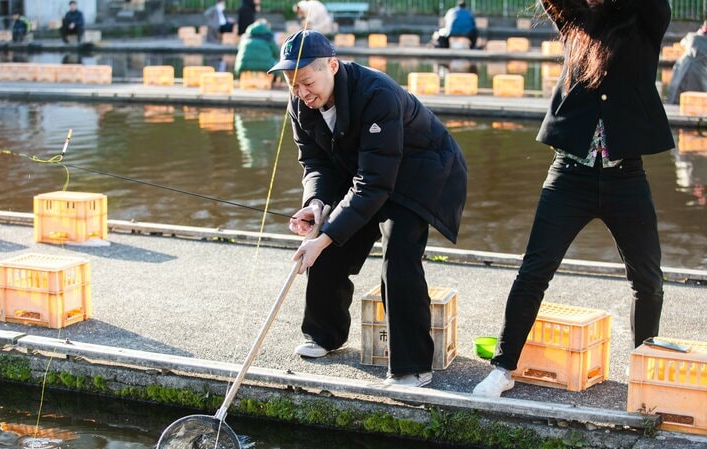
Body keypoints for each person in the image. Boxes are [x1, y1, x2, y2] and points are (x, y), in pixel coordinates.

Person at [473, 0, 675, 397]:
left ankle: (641, 371)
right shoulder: (574, 20)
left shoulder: (646, 20)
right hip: (569, 175)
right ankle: (503, 367)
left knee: (648, 280)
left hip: (625, 176)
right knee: (533, 272)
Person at [268, 31, 468, 387]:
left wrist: (326, 235)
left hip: (419, 172)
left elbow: (374, 185)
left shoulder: (377, 94)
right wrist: (315, 206)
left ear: (332, 65)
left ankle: (412, 367)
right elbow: (315, 164)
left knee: (399, 256)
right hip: (365, 170)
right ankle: (324, 335)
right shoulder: (301, 104)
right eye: (293, 85)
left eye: (307, 82)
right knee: (326, 241)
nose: (301, 92)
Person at [667, 15, 707, 104]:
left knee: (676, 99)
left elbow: (681, 44)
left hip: (680, 73)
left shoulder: (691, 37)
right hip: (699, 81)